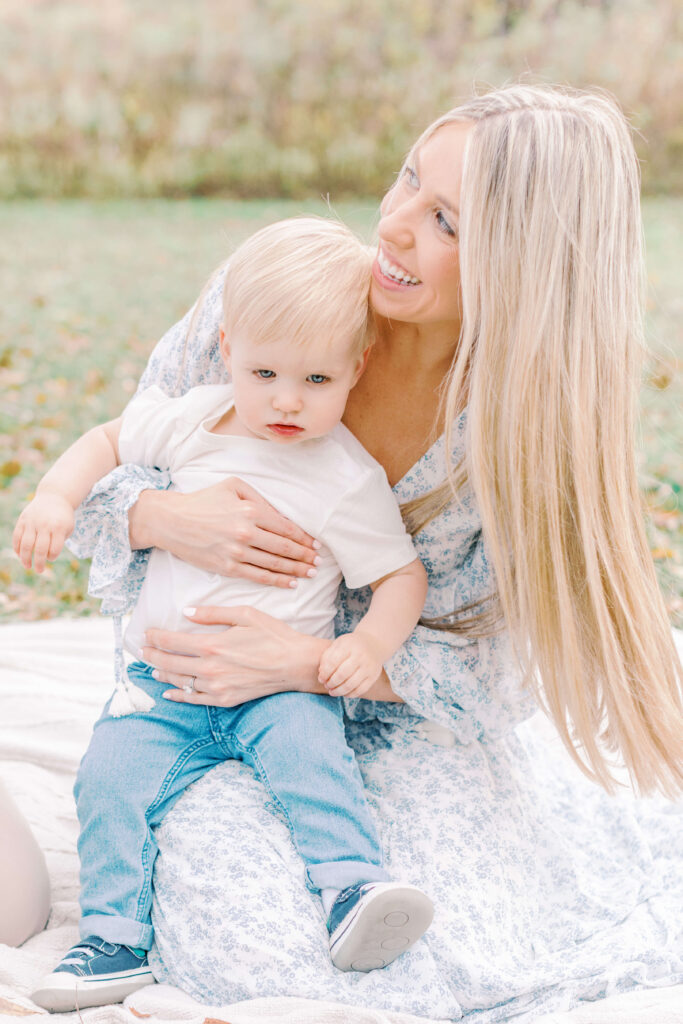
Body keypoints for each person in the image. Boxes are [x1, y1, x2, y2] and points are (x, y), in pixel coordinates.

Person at [23, 84, 683, 1020]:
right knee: (216, 885)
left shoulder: (524, 426)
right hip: (199, 691)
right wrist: (163, 521)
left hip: (391, 714)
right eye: (408, 179)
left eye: (445, 220)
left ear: (525, 262)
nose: (395, 225)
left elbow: (501, 681)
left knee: (397, 926)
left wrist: (315, 663)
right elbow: (116, 458)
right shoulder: (289, 294)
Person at [14, 218, 434, 1013]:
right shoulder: (195, 419)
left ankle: (352, 888)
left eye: (316, 382)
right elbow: (106, 440)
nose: (284, 400)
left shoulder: (345, 474)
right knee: (108, 780)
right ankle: (113, 937)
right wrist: (53, 496)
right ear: (227, 345)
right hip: (161, 683)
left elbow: (400, 576)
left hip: (279, 687)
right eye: (264, 371)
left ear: (357, 368)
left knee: (314, 764)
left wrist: (366, 642)